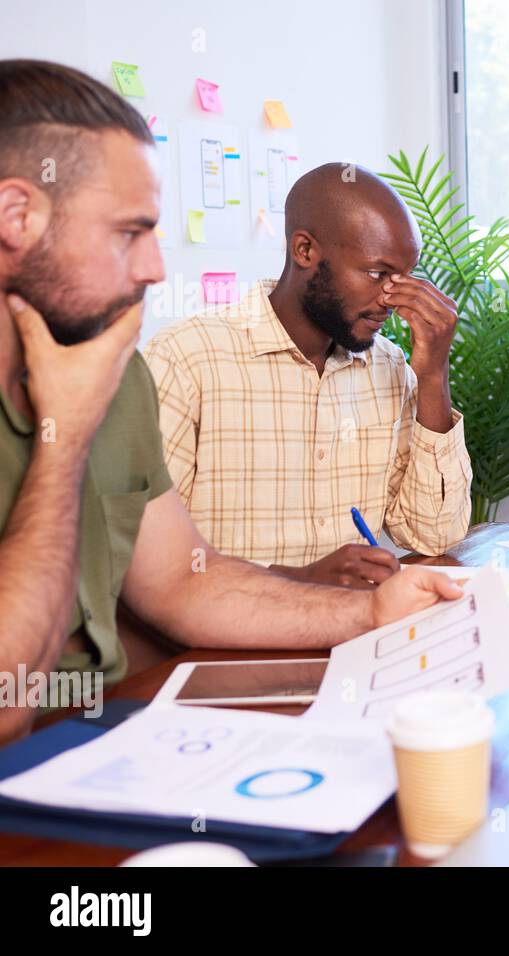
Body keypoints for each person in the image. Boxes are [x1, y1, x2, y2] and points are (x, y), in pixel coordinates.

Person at [0, 59, 461, 744]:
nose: (157, 267)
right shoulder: (154, 368)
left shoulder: (114, 376)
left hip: (120, 733)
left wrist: (370, 614)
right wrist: (64, 442)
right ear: (17, 216)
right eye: (129, 232)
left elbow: (183, 584)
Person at [144, 163, 471, 588]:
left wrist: (432, 377)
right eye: (378, 274)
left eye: (405, 278)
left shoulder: (389, 368)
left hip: (357, 633)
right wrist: (298, 579)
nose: (392, 298)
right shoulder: (185, 361)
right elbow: (146, 559)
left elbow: (434, 535)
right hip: (224, 643)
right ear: (304, 251)